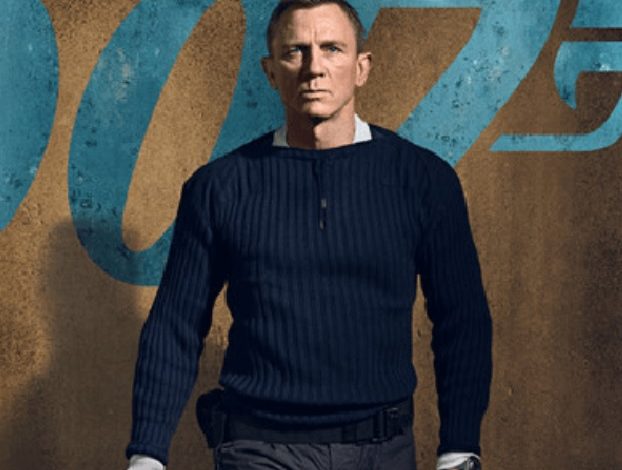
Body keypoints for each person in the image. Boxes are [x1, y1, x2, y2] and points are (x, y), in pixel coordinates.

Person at [125, 1, 492, 469]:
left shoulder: (422, 180)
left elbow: (462, 318)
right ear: (270, 71)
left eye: (332, 49)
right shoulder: (219, 187)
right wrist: (147, 454)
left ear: (362, 67)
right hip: (259, 446)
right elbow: (175, 325)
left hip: (381, 447)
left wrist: (459, 447)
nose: (314, 67)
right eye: (295, 51)